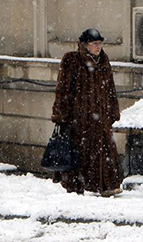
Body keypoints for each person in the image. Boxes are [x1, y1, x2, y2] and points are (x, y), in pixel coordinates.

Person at [51, 28, 123, 196]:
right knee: (80, 153)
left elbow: (110, 89)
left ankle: (107, 185)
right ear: (85, 45)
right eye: (94, 44)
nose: (98, 47)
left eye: (100, 43)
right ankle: (76, 186)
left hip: (101, 117)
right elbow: (63, 89)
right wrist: (61, 114)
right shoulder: (72, 60)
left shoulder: (104, 62)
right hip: (79, 118)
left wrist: (113, 111)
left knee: (104, 151)